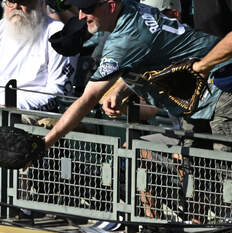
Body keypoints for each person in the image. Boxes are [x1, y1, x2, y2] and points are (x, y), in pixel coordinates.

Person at [31, 0, 232, 162]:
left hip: (222, 88)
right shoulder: (129, 7)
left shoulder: (125, 40)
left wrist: (44, 143)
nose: (82, 16)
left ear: (110, 6)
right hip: (197, 102)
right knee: (197, 175)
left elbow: (88, 99)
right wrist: (121, 88)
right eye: (81, 9)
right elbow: (146, 56)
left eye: (88, 9)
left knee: (226, 176)